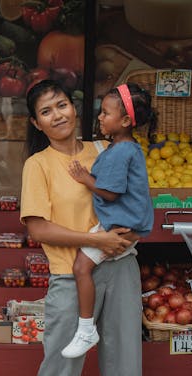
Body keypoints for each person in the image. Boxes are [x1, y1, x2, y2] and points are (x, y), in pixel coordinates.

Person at [19, 79, 158, 376]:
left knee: (126, 366)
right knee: (59, 365)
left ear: (74, 108)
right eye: (46, 111)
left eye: (61, 104)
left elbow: (135, 201)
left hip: (121, 269)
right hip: (68, 274)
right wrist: (95, 241)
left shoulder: (108, 149)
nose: (57, 114)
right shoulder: (38, 165)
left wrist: (125, 238)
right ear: (36, 122)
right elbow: (38, 227)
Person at [60, 83, 155, 359]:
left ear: (125, 121)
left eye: (105, 113)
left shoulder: (121, 151)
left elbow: (111, 193)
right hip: (128, 224)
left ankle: (86, 329)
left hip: (120, 225)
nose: (100, 117)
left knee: (81, 267)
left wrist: (84, 178)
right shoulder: (127, 148)